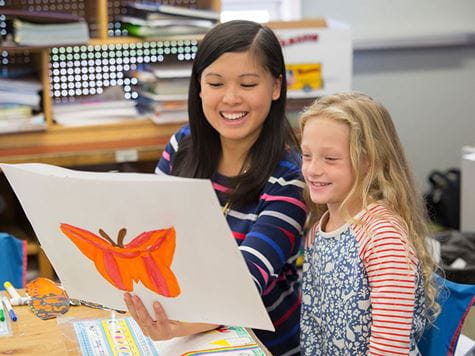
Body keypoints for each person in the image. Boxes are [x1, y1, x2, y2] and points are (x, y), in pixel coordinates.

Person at [124, 20, 307, 355]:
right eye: (216, 83)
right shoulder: (183, 145)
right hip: (182, 330)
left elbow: (243, 286)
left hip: (260, 345)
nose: (231, 98)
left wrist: (173, 325)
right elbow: (148, 238)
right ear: (199, 87)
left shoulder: (291, 177)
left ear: (276, 86)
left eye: (248, 83)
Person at [298, 92, 439, 355]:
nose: (312, 169)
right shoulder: (318, 230)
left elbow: (389, 349)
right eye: (307, 156)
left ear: (369, 161)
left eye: (330, 159)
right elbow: (312, 328)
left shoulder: (382, 237)